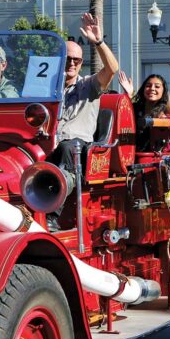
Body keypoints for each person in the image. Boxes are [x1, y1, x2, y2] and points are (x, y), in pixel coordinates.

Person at [46, 13, 119, 231]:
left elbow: (112, 69)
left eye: (76, 60)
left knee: (68, 147)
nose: (71, 63)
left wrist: (98, 41)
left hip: (78, 149)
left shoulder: (89, 85)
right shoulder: (44, 88)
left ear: (81, 63)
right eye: (67, 58)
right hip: (48, 144)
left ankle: (51, 214)